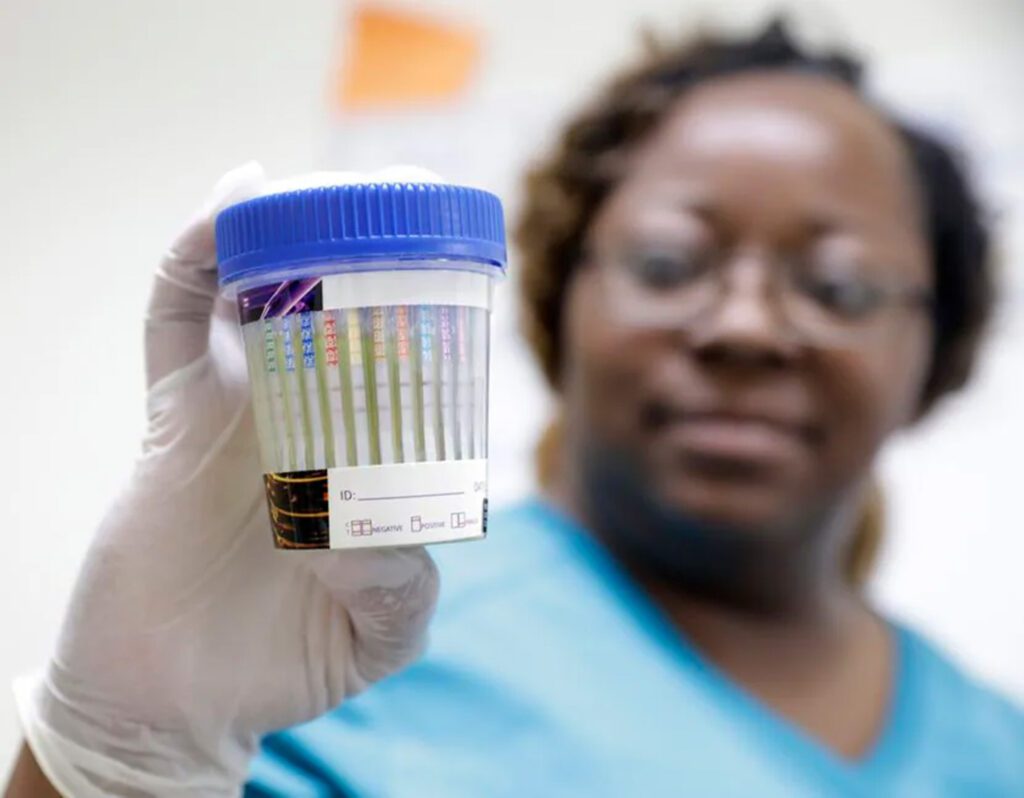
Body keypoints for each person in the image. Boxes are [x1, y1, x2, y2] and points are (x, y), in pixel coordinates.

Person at [6, 19, 1023, 798]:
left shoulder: (996, 746)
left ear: (937, 350)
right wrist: (116, 764)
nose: (745, 327)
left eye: (840, 286)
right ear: (552, 304)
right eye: (669, 264)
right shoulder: (326, 647)